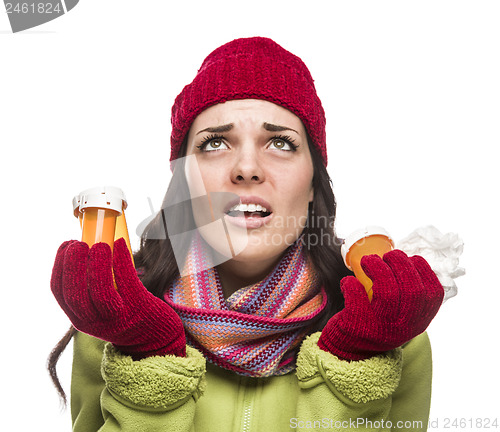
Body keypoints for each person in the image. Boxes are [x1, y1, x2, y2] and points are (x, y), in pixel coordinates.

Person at [48, 37, 444, 431]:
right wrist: (149, 362)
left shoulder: (388, 327)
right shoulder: (115, 320)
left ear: (312, 185)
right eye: (216, 143)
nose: (247, 168)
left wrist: (355, 366)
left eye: (281, 143)